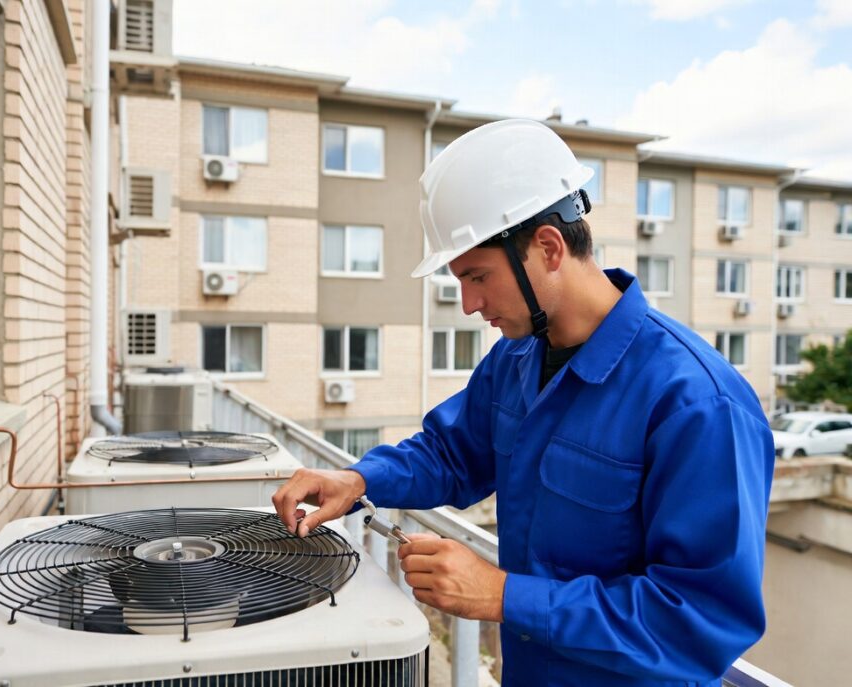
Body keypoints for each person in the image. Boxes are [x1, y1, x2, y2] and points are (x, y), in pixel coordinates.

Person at [272, 118, 774, 686]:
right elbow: (453, 452)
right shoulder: (518, 359)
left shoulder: (697, 403)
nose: (468, 304)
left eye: (478, 276)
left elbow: (699, 620)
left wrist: (505, 594)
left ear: (549, 247)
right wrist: (359, 480)